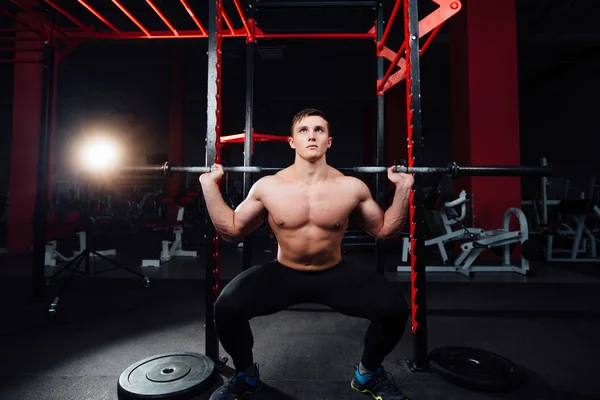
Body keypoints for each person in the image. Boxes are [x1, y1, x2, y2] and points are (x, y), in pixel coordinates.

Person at [200, 108, 414, 400]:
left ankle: (368, 373)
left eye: (319, 130)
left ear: (329, 142)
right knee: (226, 308)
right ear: (291, 142)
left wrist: (404, 189)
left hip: (334, 273)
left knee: (395, 309)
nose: (311, 135)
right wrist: (209, 187)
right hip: (284, 272)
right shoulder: (269, 187)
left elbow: (386, 231)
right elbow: (231, 230)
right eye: (304, 131)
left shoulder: (351, 188)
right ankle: (246, 375)